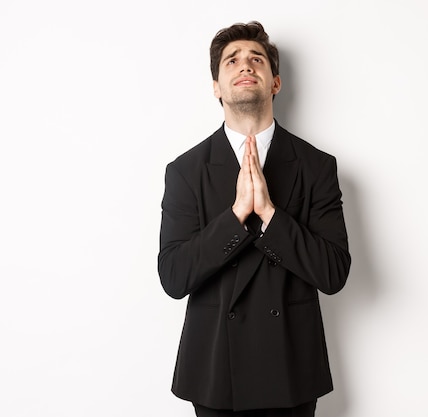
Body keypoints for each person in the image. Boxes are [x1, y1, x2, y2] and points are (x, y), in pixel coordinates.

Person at [158, 21, 351, 417]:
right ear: (217, 87)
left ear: (275, 82)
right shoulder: (185, 170)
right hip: (214, 373)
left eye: (256, 59)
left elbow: (333, 273)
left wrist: (269, 214)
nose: (245, 66)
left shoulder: (317, 167)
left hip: (291, 369)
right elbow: (174, 277)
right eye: (232, 61)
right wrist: (235, 217)